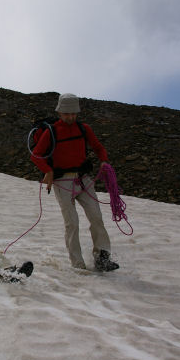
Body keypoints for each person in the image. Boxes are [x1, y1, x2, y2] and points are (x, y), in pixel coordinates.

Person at [31, 93, 119, 271]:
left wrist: (104, 160)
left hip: (83, 179)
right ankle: (78, 264)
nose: (70, 117)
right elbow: (36, 155)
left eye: (73, 114)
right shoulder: (51, 131)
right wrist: (48, 171)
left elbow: (98, 147)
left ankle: (102, 257)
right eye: (66, 114)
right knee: (72, 223)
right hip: (62, 181)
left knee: (96, 217)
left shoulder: (83, 128)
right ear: (59, 112)